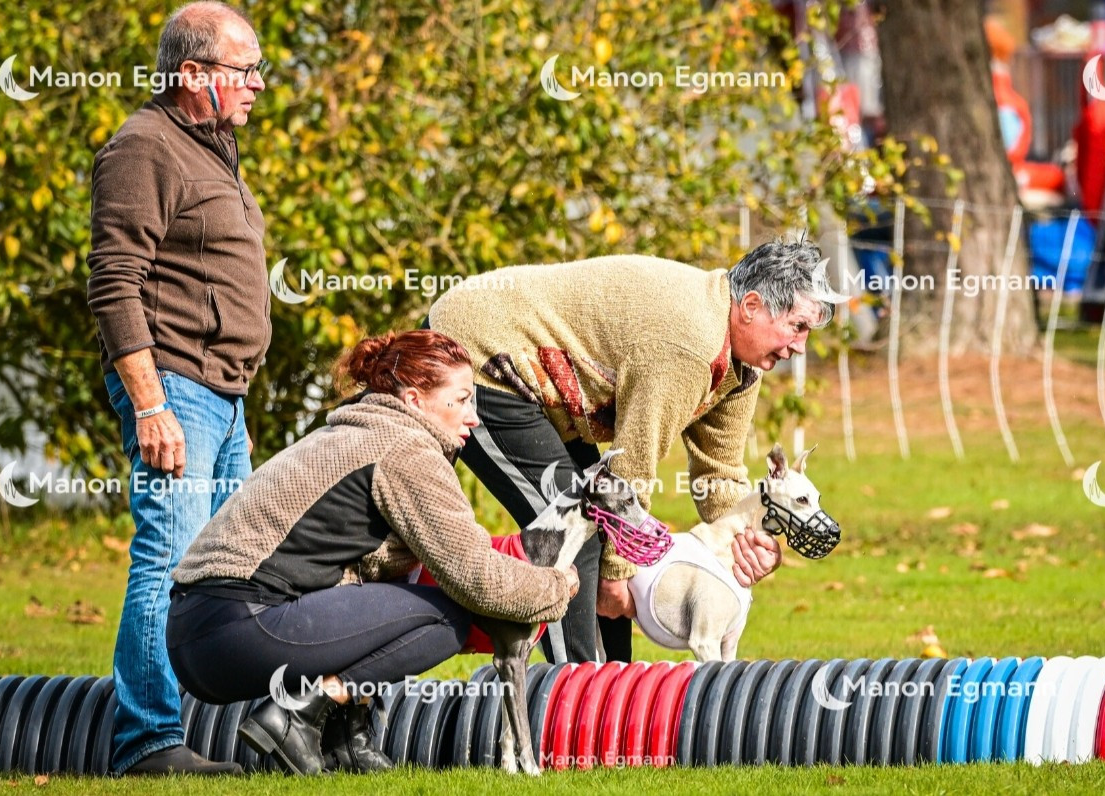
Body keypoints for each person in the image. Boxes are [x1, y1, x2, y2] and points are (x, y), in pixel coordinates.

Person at [166, 330, 578, 776]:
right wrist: (557, 585)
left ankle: (347, 741)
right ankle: (298, 713)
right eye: (460, 401)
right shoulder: (405, 448)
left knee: (392, 591)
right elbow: (477, 578)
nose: (473, 417)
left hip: (197, 633)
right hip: (241, 626)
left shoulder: (354, 430)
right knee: (449, 616)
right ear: (414, 400)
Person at [427, 238, 847, 664]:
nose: (800, 347)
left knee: (601, 531)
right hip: (478, 352)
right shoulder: (690, 346)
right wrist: (616, 572)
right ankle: (576, 693)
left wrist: (748, 536)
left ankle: (614, 687)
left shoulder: (741, 366)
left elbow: (718, 475)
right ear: (751, 306)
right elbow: (631, 467)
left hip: (543, 387)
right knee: (576, 532)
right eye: (798, 327)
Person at [85, 1, 270, 776]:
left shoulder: (212, 148)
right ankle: (149, 742)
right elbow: (114, 280)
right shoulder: (144, 146)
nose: (257, 83)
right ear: (193, 74)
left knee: (233, 569)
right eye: (244, 69)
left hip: (222, 396)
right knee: (168, 560)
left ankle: (223, 728)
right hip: (176, 390)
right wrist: (151, 403)